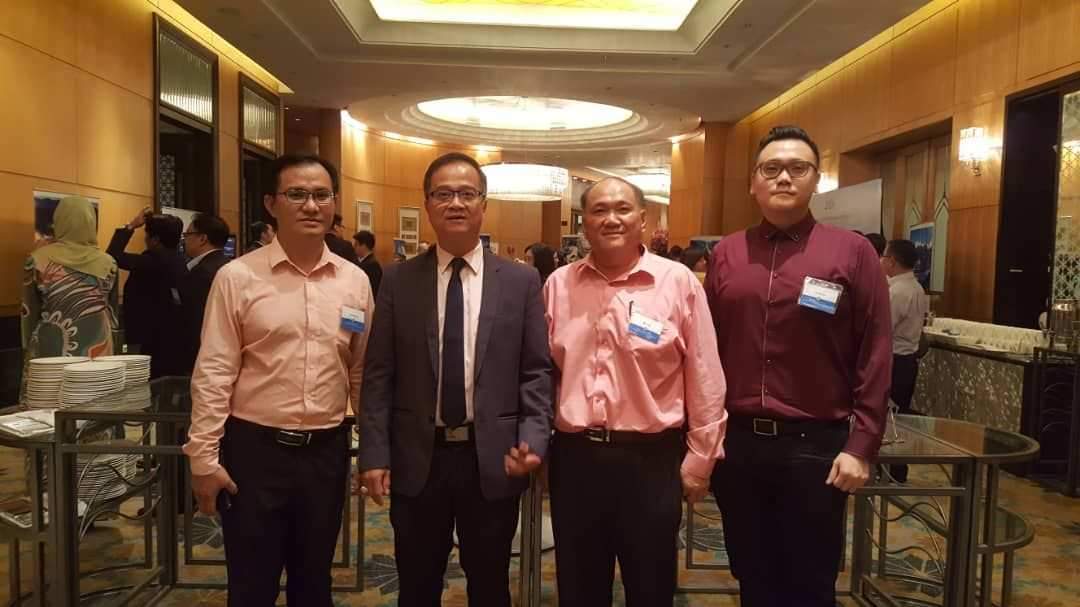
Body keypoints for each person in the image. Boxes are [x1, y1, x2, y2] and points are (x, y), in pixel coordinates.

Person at [705, 125, 892, 607]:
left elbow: (875, 349)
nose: (783, 177)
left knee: (811, 582)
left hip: (817, 447)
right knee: (751, 575)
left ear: (816, 180)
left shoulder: (852, 252)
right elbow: (707, 351)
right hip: (738, 446)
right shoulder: (726, 253)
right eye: (771, 168)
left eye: (797, 168)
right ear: (753, 182)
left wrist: (862, 445)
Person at [357, 152, 552, 607]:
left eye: (467, 193)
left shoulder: (521, 281)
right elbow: (379, 373)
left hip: (492, 458)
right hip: (416, 459)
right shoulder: (398, 280)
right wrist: (374, 453)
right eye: (443, 194)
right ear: (427, 204)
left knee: (490, 584)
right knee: (417, 584)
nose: (456, 203)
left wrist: (533, 439)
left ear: (484, 204)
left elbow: (536, 371)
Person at [184, 154, 374, 605]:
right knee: (252, 586)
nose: (311, 205)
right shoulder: (237, 277)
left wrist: (371, 449)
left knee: (314, 583)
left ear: (334, 204)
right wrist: (203, 457)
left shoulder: (355, 282)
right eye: (297, 194)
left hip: (325, 454)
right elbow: (214, 371)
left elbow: (361, 371)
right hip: (254, 453)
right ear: (271, 203)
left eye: (322, 195)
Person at [544, 177, 727, 606]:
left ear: (642, 219)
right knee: (579, 588)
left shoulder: (677, 282)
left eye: (622, 209)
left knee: (651, 587)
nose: (611, 219)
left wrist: (701, 459)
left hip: (651, 462)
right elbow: (541, 374)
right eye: (599, 210)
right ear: (585, 223)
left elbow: (705, 374)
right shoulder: (558, 285)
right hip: (576, 459)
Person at [22, 196, 119, 363]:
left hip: (51, 351)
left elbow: (28, 313)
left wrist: (27, 352)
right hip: (99, 352)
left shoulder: (36, 260)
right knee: (97, 381)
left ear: (58, 221)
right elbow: (113, 315)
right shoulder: (109, 264)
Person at [107, 209, 187, 378]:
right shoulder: (180, 259)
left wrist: (131, 226)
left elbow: (112, 256)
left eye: (147, 235)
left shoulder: (152, 261)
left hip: (150, 337)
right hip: (174, 336)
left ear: (155, 240)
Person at [880, 238, 929, 483]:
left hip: (895, 361)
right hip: (906, 361)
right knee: (898, 418)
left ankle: (892, 470)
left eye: (883, 256)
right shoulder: (916, 287)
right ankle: (896, 470)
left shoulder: (897, 292)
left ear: (892, 261)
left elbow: (882, 329)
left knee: (891, 418)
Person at [179, 213, 231, 374]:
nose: (184, 240)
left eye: (187, 235)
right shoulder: (229, 265)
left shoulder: (201, 273)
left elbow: (195, 321)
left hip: (205, 356)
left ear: (202, 239)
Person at [352, 230, 383, 296]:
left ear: (364, 246)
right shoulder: (356, 260)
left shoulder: (373, 265)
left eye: (356, 244)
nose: (353, 247)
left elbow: (374, 290)